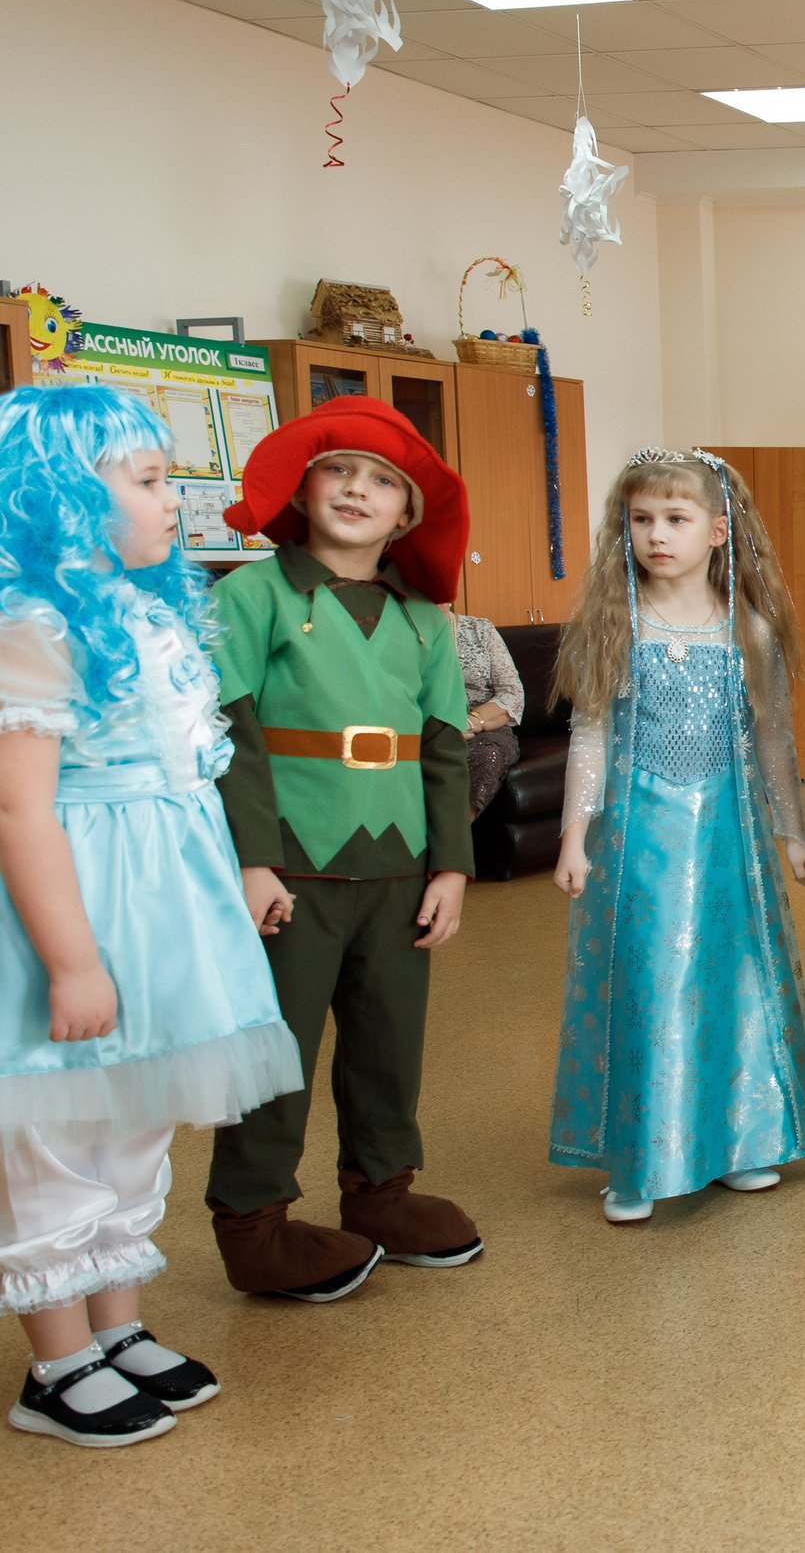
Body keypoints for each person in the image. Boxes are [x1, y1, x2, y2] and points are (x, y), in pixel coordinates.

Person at [0, 386, 302, 1447]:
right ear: (64, 501)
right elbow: (18, 806)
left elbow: (191, 773)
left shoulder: (142, 608)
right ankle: (56, 1358)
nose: (176, 498)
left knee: (136, 1117)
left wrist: (242, 869)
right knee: (59, 1127)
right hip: (82, 905)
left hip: (168, 900)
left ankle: (117, 1326)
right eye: (150, 479)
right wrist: (71, 962)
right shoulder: (30, 627)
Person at [203, 399, 481, 1299]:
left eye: (384, 481)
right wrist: (252, 860)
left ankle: (380, 1191)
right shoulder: (250, 596)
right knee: (273, 1049)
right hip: (290, 867)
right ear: (303, 484)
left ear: (408, 514)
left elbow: (445, 746)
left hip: (398, 865)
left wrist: (450, 867)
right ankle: (254, 1222)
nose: (358, 489)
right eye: (339, 470)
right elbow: (228, 734)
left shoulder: (427, 620)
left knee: (387, 1040)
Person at [549, 448, 805, 1225]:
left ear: (717, 530)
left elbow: (771, 739)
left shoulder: (750, 631)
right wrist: (574, 837)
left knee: (733, 980)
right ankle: (639, 1156)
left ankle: (739, 1140)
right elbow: (591, 736)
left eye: (675, 519)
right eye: (641, 520)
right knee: (647, 983)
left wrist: (791, 833)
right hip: (640, 842)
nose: (656, 535)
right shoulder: (615, 623)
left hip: (729, 840)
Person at [443, 605, 524, 820]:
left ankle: (455, 836)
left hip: (487, 727)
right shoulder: (403, 634)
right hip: (433, 726)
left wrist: (471, 722)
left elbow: (512, 693)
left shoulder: (480, 629)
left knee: (487, 756)